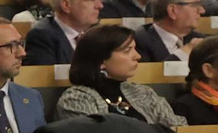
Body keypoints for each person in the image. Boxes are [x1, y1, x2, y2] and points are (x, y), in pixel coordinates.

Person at [54, 23, 186, 126]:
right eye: (127, 50)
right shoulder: (76, 99)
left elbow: (178, 128)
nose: (138, 56)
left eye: (135, 49)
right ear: (101, 60)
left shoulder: (143, 93)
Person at [24, 0, 101, 67]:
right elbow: (44, 80)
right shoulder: (42, 36)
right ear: (66, 5)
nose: (100, 6)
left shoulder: (98, 32)